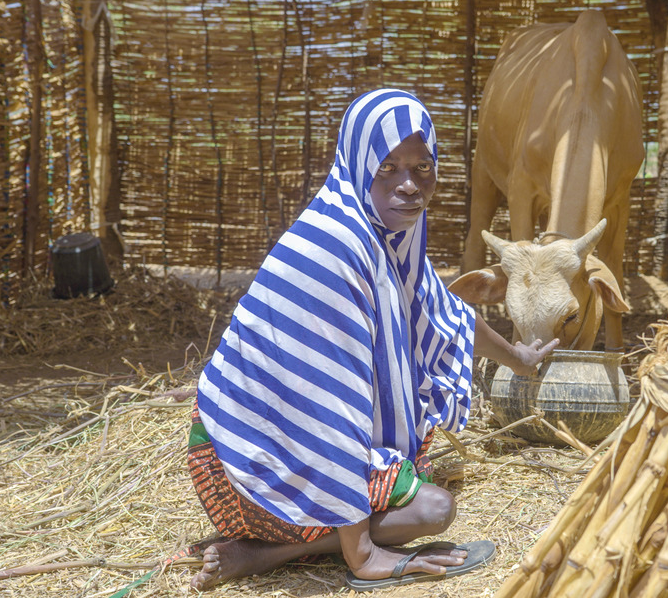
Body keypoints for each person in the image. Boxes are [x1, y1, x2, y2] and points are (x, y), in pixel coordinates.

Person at [187, 88, 558, 592]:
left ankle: (276, 550)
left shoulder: (387, 236)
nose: (409, 185)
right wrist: (363, 556)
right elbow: (330, 406)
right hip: (244, 466)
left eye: (421, 167)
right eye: (388, 168)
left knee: (417, 472)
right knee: (432, 508)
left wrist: (520, 359)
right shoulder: (334, 248)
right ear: (359, 164)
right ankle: (262, 553)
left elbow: (442, 313)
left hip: (287, 441)